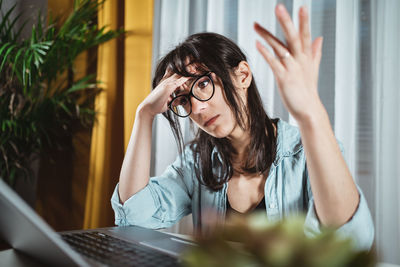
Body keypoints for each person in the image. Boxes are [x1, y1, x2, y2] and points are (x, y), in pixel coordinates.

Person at [111, 4, 374, 250]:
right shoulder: (196, 163)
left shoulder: (307, 154)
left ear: (243, 76)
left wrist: (311, 115)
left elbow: (352, 242)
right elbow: (135, 217)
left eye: (203, 84)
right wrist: (144, 115)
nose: (198, 108)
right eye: (183, 99)